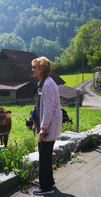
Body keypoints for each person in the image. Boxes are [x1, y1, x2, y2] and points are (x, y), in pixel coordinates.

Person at [31, 57, 62, 195]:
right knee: (45, 156)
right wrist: (36, 123)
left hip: (49, 127)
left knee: (44, 157)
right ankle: (50, 182)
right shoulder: (42, 83)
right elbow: (40, 105)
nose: (32, 69)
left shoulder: (48, 85)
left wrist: (43, 129)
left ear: (41, 69)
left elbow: (48, 108)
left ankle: (46, 188)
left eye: (34, 67)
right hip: (46, 125)